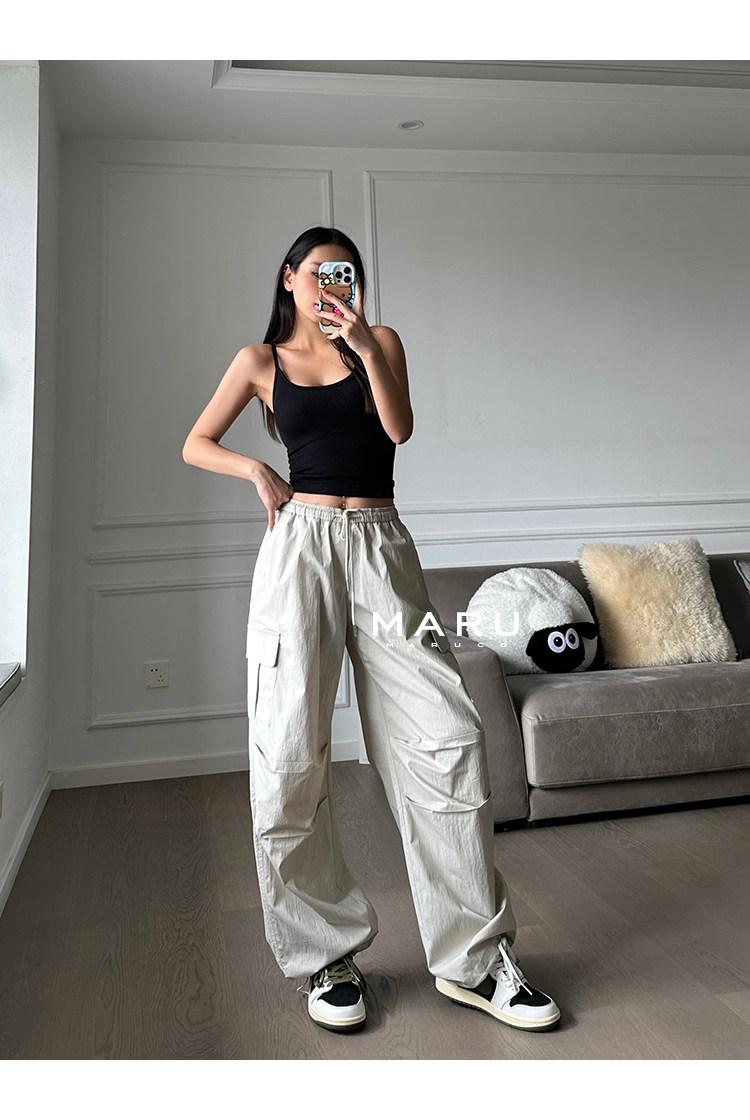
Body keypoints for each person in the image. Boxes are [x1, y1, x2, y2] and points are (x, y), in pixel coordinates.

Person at [182, 225, 561, 1034]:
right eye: (321, 273)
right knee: (288, 754)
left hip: (383, 549)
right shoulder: (258, 361)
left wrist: (359, 344)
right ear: (289, 278)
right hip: (300, 551)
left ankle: (474, 960)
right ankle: (324, 954)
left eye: (347, 274)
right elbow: (195, 443)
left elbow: (398, 430)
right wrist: (255, 468)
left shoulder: (379, 340)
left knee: (446, 736)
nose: (334, 285)